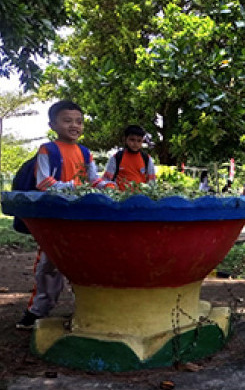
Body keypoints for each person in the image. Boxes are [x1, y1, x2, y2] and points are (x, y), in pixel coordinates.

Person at [16, 100, 115, 330]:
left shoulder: (84, 152)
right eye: (67, 120)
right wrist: (74, 187)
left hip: (81, 217)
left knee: (84, 262)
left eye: (79, 121)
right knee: (49, 265)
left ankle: (87, 310)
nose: (74, 125)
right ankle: (37, 311)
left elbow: (94, 179)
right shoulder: (47, 150)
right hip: (56, 219)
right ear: (53, 124)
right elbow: (43, 182)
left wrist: (110, 186)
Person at [101, 124, 156, 191]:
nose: (135, 143)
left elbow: (152, 182)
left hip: (141, 198)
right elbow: (106, 181)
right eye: (132, 140)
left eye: (139, 141)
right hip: (121, 199)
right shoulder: (116, 158)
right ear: (125, 139)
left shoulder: (147, 158)